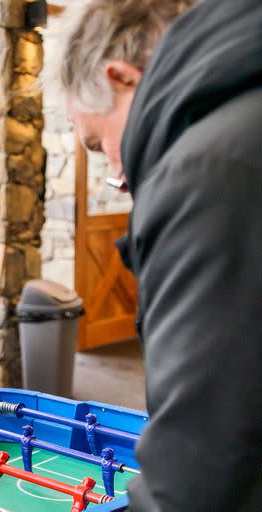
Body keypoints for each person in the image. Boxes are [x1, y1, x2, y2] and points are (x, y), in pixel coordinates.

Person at [62, 0, 262, 509]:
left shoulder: (203, 172)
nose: (120, 175)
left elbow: (198, 468)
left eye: (100, 144)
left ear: (122, 78)